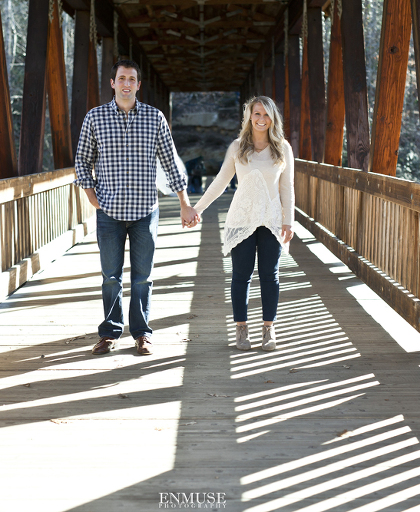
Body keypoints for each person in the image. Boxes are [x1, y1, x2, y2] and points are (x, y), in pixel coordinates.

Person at [75, 59, 200, 356]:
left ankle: (142, 334)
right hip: (109, 212)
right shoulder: (94, 118)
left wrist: (184, 203)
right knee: (110, 277)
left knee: (143, 277)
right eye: (122, 78)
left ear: (139, 85)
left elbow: (171, 163)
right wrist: (92, 197)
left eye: (132, 79)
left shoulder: (155, 118)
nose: (127, 84)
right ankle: (109, 333)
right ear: (113, 83)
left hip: (145, 211)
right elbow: (82, 160)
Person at [190, 96, 294, 351]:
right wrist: (196, 209)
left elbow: (287, 187)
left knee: (270, 276)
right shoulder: (237, 147)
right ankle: (241, 329)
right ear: (249, 116)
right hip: (242, 219)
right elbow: (220, 182)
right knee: (241, 276)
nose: (261, 119)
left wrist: (289, 221)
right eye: (256, 114)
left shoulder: (282, 147)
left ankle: (269, 329)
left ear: (273, 119)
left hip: (270, 219)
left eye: (266, 115)